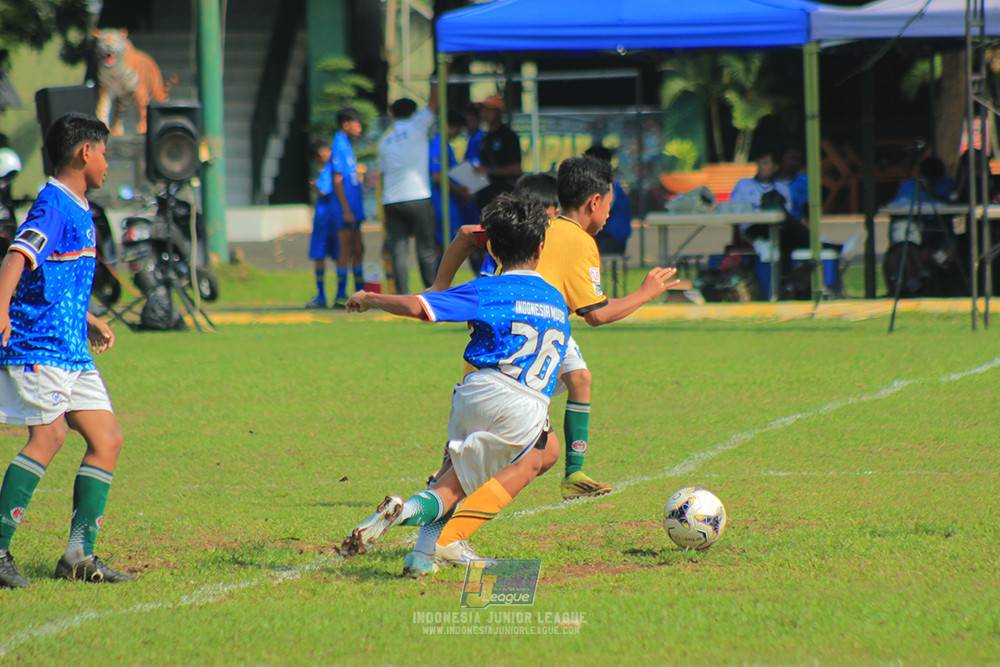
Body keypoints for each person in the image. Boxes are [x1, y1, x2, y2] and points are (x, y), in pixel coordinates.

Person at [414, 157, 677, 573]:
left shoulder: (533, 225)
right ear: (594, 202)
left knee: (579, 380)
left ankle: (571, 473)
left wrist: (438, 285)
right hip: (533, 327)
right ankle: (440, 529)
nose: (610, 213)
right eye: (610, 204)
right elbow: (597, 313)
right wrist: (647, 291)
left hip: (526, 326)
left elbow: (467, 234)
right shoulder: (576, 239)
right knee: (517, 451)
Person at [337, 193, 571, 577]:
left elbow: (421, 306)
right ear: (541, 247)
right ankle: (404, 510)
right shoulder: (555, 298)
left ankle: (422, 556)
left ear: (492, 247)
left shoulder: (487, 289)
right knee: (458, 489)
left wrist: (372, 298)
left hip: (475, 389)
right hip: (522, 403)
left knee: (455, 474)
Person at [0, 112, 132, 588]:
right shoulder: (53, 204)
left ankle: (78, 556)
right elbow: (17, 257)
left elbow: (54, 273)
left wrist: (89, 317)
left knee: (107, 440)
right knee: (48, 437)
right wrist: (0, 311)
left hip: (71, 347)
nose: (107, 164)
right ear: (84, 152)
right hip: (40, 345)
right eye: (104, 153)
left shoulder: (76, 205)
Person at [378, 95, 438, 295]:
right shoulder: (417, 126)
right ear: (413, 113)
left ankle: (402, 295)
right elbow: (434, 103)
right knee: (426, 248)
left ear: (392, 114)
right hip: (418, 195)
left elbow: (382, 172)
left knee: (398, 250)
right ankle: (432, 291)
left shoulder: (384, 140)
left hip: (391, 199)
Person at [330, 108, 367, 309]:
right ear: (346, 124)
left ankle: (360, 292)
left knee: (359, 249)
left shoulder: (347, 146)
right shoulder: (339, 145)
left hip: (354, 207)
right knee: (346, 249)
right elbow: (337, 179)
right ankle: (340, 295)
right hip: (347, 209)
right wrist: (346, 209)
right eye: (357, 124)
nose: (359, 128)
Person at [430, 109, 473, 254]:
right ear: (450, 126)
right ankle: (439, 277)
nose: (457, 135)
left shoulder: (445, 145)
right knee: (447, 247)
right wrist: (460, 192)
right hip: (442, 205)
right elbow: (437, 176)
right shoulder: (438, 144)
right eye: (457, 130)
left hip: (449, 203)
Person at [305, 138, 337, 308]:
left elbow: (324, 191)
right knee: (338, 257)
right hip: (331, 218)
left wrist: (314, 187)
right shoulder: (331, 167)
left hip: (325, 220)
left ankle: (322, 295)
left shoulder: (328, 169)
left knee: (320, 257)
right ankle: (339, 293)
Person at [475, 95, 522, 209]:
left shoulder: (508, 136)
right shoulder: (485, 138)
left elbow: (516, 168)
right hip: (487, 197)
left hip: (504, 196)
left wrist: (490, 171)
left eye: (489, 110)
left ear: (498, 112)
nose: (484, 113)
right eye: (483, 109)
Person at [584, 144, 632, 256]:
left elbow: (595, 213)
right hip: (603, 236)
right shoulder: (601, 184)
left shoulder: (609, 187)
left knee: (581, 250)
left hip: (612, 239)